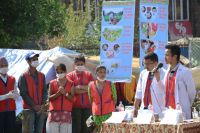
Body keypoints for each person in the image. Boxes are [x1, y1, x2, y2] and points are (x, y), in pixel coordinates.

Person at [164, 44, 196, 119]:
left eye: (167, 55)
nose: (165, 57)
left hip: (181, 110)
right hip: (168, 110)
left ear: (175, 56)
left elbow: (192, 92)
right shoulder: (166, 72)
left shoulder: (185, 72)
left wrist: (187, 104)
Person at [18, 52, 47, 133]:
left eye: (36, 59)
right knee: (28, 131)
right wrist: (34, 106)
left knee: (39, 131)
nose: (36, 61)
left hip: (40, 108)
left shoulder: (42, 75)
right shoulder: (23, 76)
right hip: (28, 109)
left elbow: (45, 90)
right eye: (33, 59)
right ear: (28, 62)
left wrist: (43, 104)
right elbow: (23, 93)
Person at [67, 54, 94, 133]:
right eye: (78, 64)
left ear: (84, 64)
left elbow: (92, 88)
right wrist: (86, 88)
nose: (80, 66)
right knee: (76, 128)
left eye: (81, 64)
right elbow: (72, 90)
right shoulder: (70, 76)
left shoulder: (89, 75)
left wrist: (79, 86)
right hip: (75, 107)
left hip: (87, 107)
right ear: (74, 64)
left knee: (87, 128)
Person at [134, 53, 166, 117]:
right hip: (144, 111)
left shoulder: (164, 73)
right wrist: (135, 108)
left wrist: (158, 78)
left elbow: (165, 91)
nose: (145, 66)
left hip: (159, 111)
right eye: (144, 64)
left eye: (148, 64)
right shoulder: (143, 73)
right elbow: (138, 92)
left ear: (156, 63)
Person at [46, 63, 74, 133]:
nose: (59, 74)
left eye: (61, 72)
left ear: (65, 71)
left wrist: (65, 93)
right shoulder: (52, 83)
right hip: (53, 114)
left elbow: (72, 99)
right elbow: (49, 98)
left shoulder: (71, 83)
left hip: (66, 114)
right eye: (58, 72)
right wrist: (58, 94)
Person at [88, 65, 117, 131]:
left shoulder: (110, 84)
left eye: (104, 72)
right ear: (96, 73)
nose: (102, 74)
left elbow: (114, 99)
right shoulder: (91, 85)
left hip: (109, 114)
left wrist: (109, 107)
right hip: (96, 115)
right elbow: (91, 100)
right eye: (100, 72)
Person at [0, 57, 19, 133]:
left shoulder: (12, 79)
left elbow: (17, 95)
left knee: (11, 130)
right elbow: (9, 95)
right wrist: (7, 96)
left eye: (6, 65)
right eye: (2, 65)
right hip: (0, 111)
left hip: (11, 110)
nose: (4, 67)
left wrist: (15, 95)